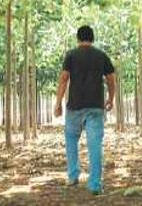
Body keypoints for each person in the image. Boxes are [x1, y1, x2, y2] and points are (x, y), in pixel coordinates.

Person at [54, 25, 116, 195]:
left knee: (71, 140)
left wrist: (58, 102)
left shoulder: (71, 55)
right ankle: (95, 184)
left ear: (78, 39)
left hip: (74, 106)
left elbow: (64, 78)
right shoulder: (101, 56)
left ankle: (73, 176)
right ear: (92, 38)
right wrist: (111, 98)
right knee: (95, 145)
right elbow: (111, 78)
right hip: (95, 107)